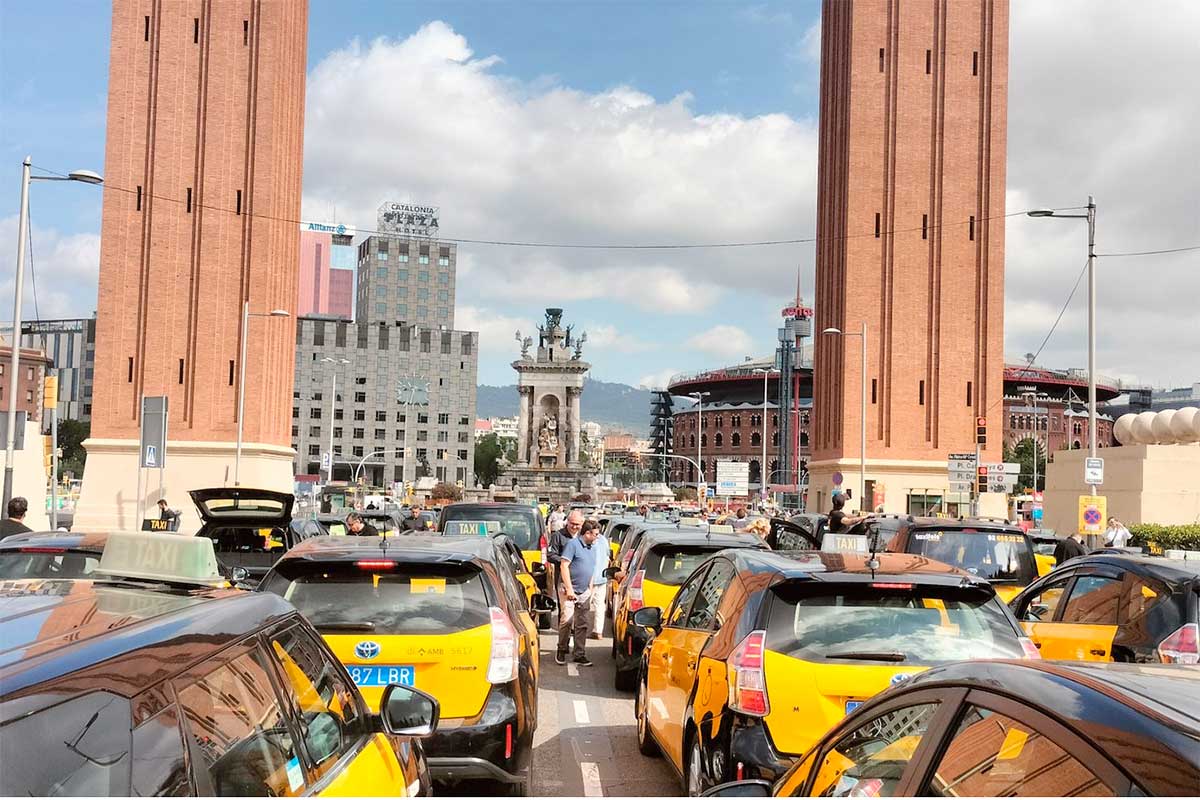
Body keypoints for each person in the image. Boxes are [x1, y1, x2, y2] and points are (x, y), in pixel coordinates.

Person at [558, 517, 602, 666]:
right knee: (567, 621)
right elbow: (564, 566)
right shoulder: (573, 545)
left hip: (584, 591)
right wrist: (569, 589)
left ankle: (579, 653)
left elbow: (591, 568)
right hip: (569, 590)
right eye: (595, 534)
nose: (597, 537)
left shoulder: (593, 548)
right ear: (587, 533)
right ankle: (562, 649)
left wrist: (590, 588)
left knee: (582, 624)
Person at [549, 510, 584, 663]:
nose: (574, 527)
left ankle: (577, 648)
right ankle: (562, 646)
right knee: (565, 614)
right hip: (563, 580)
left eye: (577, 525)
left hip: (580, 581)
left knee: (580, 617)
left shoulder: (584, 537)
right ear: (567, 522)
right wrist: (566, 560)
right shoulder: (558, 536)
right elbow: (550, 555)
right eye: (572, 524)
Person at [588, 521, 611, 638]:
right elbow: (608, 556)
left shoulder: (589, 542)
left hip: (590, 579)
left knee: (583, 605)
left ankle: (577, 629)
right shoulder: (604, 540)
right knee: (600, 606)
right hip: (602, 577)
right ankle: (598, 631)